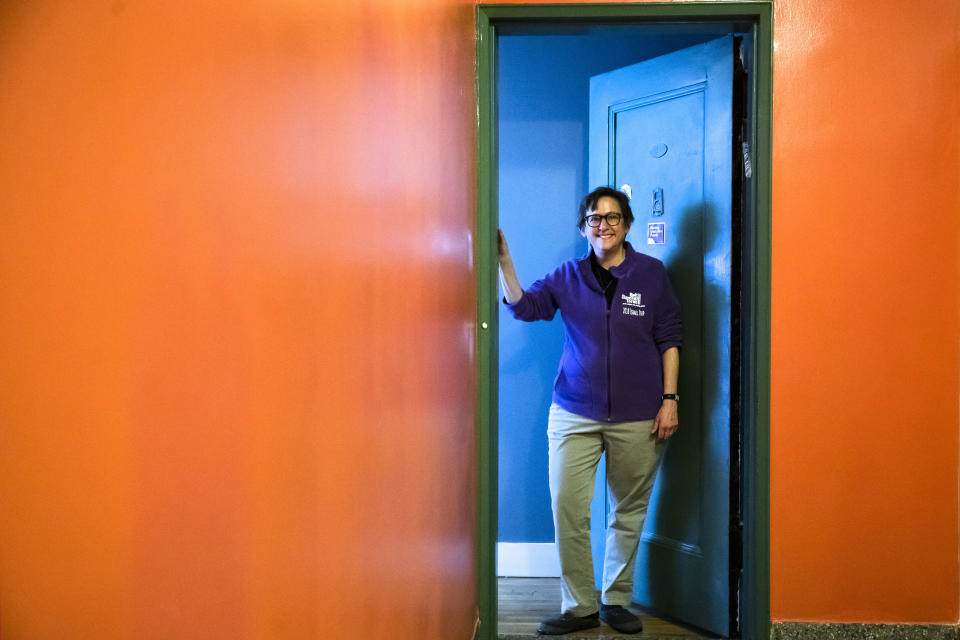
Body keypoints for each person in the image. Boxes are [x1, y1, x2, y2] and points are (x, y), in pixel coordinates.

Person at [498, 186, 681, 636]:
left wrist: (670, 400)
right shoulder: (567, 275)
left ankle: (615, 601)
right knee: (568, 508)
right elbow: (526, 307)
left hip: (640, 413)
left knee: (628, 510)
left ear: (628, 224)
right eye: (595, 218)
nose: (604, 225)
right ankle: (579, 606)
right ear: (584, 228)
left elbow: (670, 339)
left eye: (613, 217)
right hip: (574, 412)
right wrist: (504, 261)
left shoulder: (652, 274)